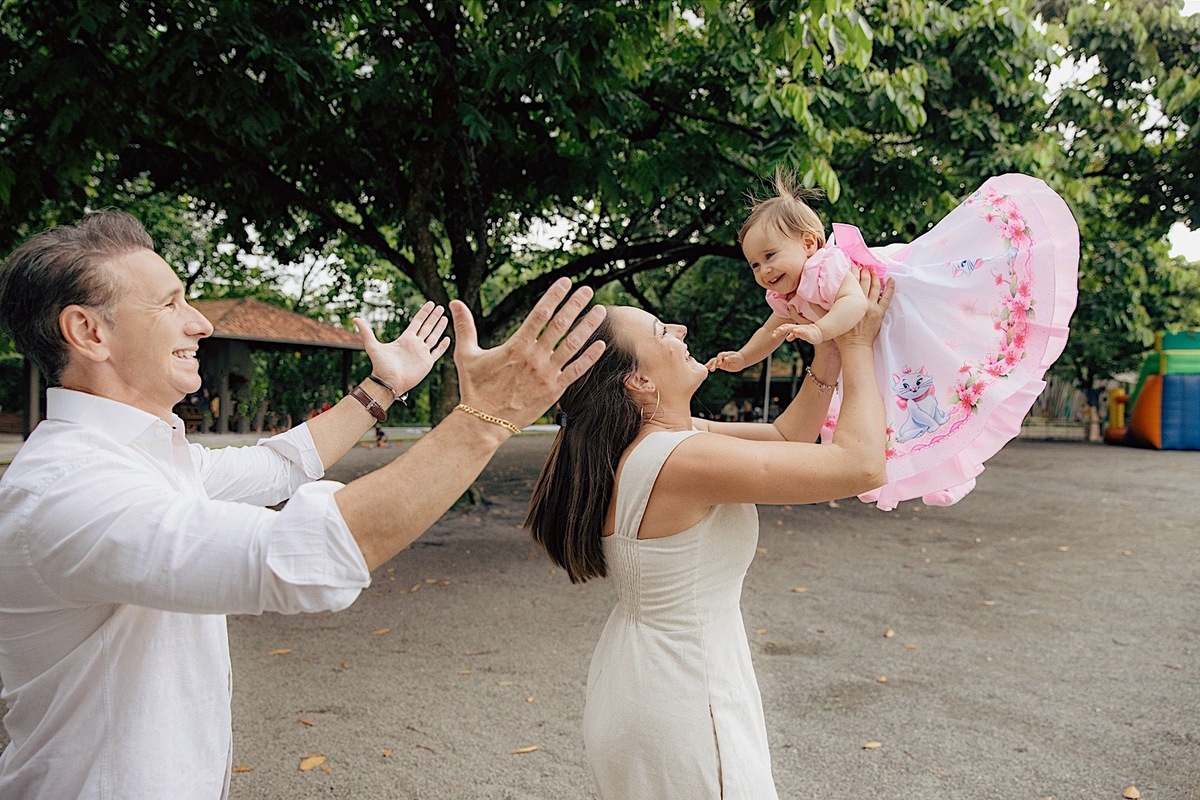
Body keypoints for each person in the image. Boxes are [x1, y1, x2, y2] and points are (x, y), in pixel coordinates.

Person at [0, 210, 605, 799]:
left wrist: (383, 387)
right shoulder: (69, 489)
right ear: (88, 332)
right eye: (170, 304)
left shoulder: (148, 456)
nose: (199, 324)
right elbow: (301, 555)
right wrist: (485, 421)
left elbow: (276, 465)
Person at [525, 271, 892, 799]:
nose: (677, 328)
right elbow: (861, 467)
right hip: (684, 690)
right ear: (639, 382)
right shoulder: (682, 458)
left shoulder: (662, 442)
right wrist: (857, 345)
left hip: (649, 676)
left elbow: (788, 436)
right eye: (659, 332)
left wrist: (827, 363)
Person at [708, 170, 1078, 510]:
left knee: (946, 367)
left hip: (901, 309)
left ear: (808, 244)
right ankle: (944, 469)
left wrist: (821, 332)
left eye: (770, 256)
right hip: (875, 336)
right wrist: (743, 357)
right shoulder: (788, 296)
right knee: (900, 406)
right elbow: (769, 331)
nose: (763, 271)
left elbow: (854, 303)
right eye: (754, 264)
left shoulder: (827, 267)